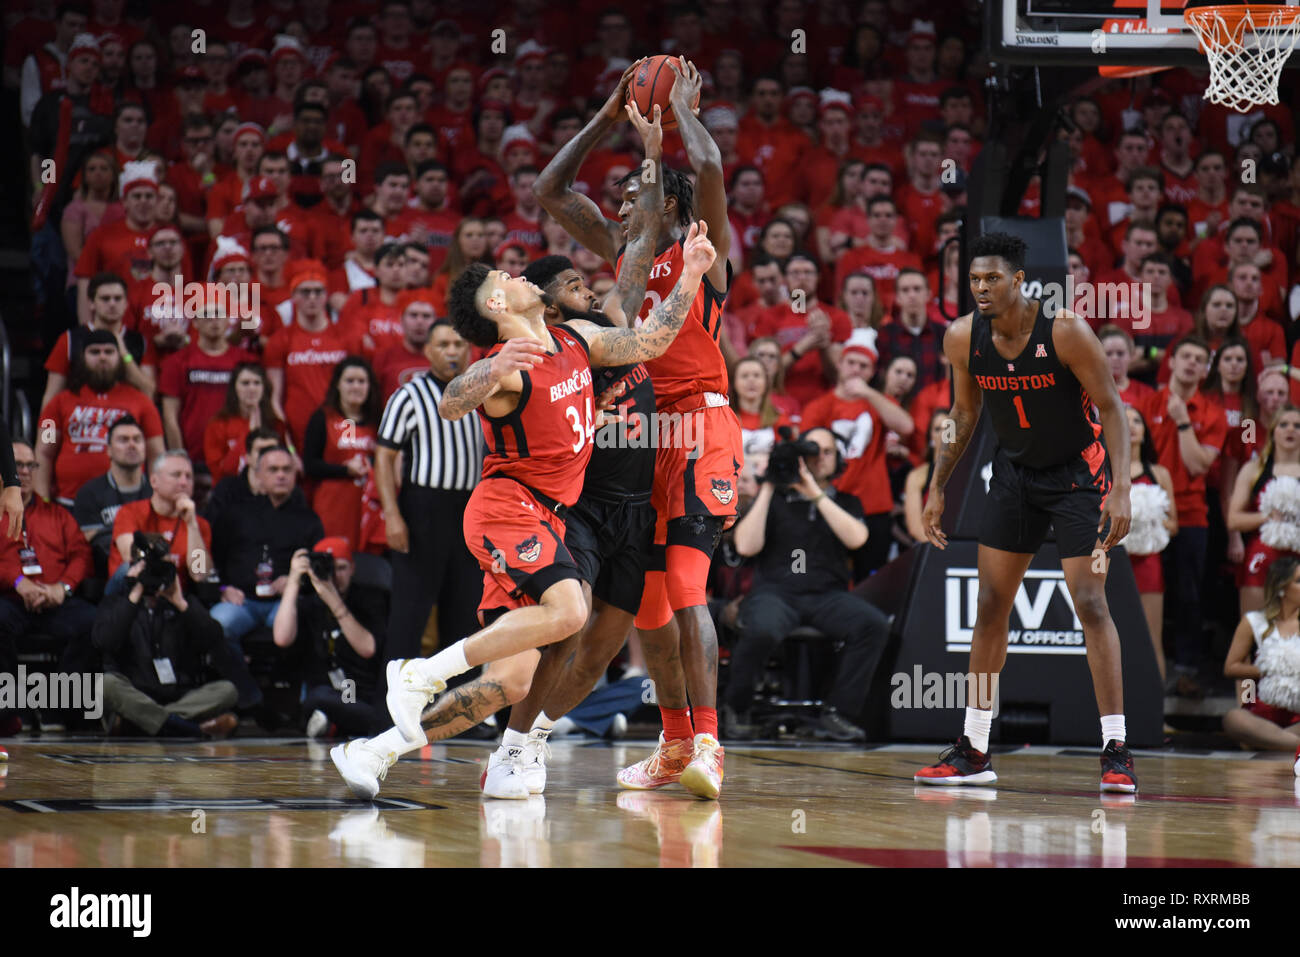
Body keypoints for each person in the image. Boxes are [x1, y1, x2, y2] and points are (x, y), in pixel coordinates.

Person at [330, 182, 716, 802]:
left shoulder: (575, 341)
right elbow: (455, 402)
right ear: (495, 306)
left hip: (546, 518)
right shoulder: (508, 364)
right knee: (571, 614)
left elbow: (650, 341)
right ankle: (421, 673)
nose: (514, 271)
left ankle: (375, 751)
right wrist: (486, 366)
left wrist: (692, 274)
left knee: (510, 681)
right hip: (509, 510)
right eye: (501, 277)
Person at [535, 56, 741, 799]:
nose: (619, 208)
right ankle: (676, 740)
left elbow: (711, 161)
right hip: (640, 440)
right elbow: (550, 191)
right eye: (619, 200)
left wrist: (679, 107)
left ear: (670, 204)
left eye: (631, 197)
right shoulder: (624, 256)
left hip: (699, 426)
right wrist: (607, 114)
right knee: (649, 603)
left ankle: (712, 744)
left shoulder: (702, 248)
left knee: (687, 586)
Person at [916, 232, 1137, 792]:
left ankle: (1116, 749)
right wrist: (937, 484)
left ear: (1019, 281)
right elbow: (962, 415)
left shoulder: (1065, 331)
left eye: (992, 279)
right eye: (973, 280)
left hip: (1078, 478)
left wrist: (1123, 489)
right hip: (1014, 477)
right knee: (990, 604)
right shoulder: (962, 337)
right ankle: (975, 749)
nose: (981, 288)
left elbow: (1112, 409)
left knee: (1089, 600)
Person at [727, 427, 890, 740]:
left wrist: (814, 493)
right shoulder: (774, 499)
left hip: (827, 597)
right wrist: (771, 485)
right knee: (761, 628)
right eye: (814, 451)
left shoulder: (846, 501)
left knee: (873, 625)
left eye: (827, 452)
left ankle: (838, 713)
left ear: (838, 459)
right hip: (776, 594)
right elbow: (745, 546)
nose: (820, 458)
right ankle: (738, 707)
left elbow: (858, 538)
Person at [375, 320, 482, 664]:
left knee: (464, 612)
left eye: (458, 343)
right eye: (443, 344)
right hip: (422, 509)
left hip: (468, 511)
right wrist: (391, 514)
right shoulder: (409, 395)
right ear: (427, 351)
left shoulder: (481, 395)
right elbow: (384, 455)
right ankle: (390, 710)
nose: (452, 351)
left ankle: (461, 709)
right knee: (410, 613)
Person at [1138, 336, 1228, 696]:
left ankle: (1187, 669)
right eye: (1185, 356)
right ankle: (1145, 666)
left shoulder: (1211, 412)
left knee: (1189, 594)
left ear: (1206, 370)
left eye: (1199, 359)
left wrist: (1181, 422)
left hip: (1191, 515)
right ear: (1171, 362)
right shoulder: (1146, 403)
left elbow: (1198, 465)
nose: (1191, 363)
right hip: (1148, 514)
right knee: (1149, 592)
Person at [93, 554, 239, 739]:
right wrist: (135, 593)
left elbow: (214, 639)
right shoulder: (115, 602)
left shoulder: (180, 602)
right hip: (133, 694)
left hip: (175, 696)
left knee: (228, 690)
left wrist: (181, 603)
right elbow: (104, 642)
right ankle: (189, 729)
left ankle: (142, 724)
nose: (153, 578)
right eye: (148, 571)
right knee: (106, 684)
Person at [35, 330, 165, 507]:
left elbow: (157, 454)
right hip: (67, 504)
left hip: (128, 506)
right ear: (83, 358)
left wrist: (156, 500)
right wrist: (42, 501)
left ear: (120, 357)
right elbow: (43, 452)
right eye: (95, 352)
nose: (102, 357)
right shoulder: (58, 403)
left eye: (109, 352)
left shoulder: (142, 402)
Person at [274, 538, 386, 738]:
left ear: (353, 568)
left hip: (360, 697)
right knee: (316, 696)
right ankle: (328, 722)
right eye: (328, 568)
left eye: (341, 568)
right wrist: (293, 580)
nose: (334, 576)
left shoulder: (370, 599)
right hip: (324, 693)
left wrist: (332, 598)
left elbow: (367, 648)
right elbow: (282, 638)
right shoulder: (311, 603)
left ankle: (330, 724)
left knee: (324, 698)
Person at [0, 440, 97, 672]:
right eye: (16, 464)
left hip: (54, 600)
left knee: (94, 622)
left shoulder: (57, 515)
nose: (24, 471)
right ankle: (10, 704)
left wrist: (62, 588)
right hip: (8, 601)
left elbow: (82, 556)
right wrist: (17, 581)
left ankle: (64, 704)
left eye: (30, 465)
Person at [1221, 555, 1300, 774]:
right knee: (1233, 718)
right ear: (1282, 588)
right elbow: (1231, 667)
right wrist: (1269, 668)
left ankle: (1273, 742)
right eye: (1298, 581)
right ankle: (1295, 746)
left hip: (1298, 717)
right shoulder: (1254, 622)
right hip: (1263, 716)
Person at [1122, 405, 1178, 683]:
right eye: (1125, 420)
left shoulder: (1159, 473)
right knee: (1110, 635)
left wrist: (1148, 519)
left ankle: (1156, 711)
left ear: (1145, 432)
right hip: (1113, 561)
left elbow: (1174, 524)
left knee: (1150, 637)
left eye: (1137, 421)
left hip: (1148, 562)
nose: (1131, 426)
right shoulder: (1104, 470)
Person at [107, 451, 212, 597]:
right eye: (176, 475)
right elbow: (132, 556)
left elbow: (199, 574)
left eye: (189, 476)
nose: (183, 482)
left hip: (173, 598)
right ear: (154, 481)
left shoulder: (200, 525)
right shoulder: (129, 512)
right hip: (130, 596)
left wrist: (192, 525)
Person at [1228, 406, 1300, 616]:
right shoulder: (1253, 469)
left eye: (1297, 426)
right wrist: (1268, 517)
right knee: (1255, 627)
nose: (1291, 430)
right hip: (1262, 556)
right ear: (1273, 431)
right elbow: (1233, 519)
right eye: (1283, 424)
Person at [303, 357, 380, 549]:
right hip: (333, 507)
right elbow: (310, 464)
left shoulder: (378, 420)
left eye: (361, 381)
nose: (356, 387)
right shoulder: (323, 418)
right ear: (338, 384)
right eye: (349, 381)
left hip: (369, 508)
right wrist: (344, 471)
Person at [72, 415, 152, 577]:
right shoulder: (89, 493)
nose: (131, 445)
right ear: (108, 450)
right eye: (123, 440)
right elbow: (89, 542)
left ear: (145, 447)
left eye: (137, 440)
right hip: (108, 577)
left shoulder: (156, 491)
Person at [203, 363, 286, 485]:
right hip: (230, 491)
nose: (252, 388)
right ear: (234, 388)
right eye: (245, 383)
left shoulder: (276, 423)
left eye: (257, 383)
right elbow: (220, 472)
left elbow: (288, 450)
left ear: (264, 388)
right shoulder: (217, 425)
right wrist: (249, 434)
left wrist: (292, 452)